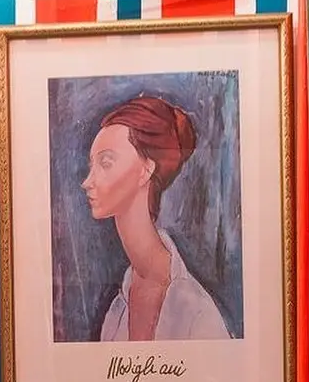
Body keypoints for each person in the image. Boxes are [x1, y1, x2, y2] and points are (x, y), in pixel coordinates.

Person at [81, 95, 231, 341]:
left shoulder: (197, 314)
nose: (87, 182)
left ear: (146, 170)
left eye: (105, 163)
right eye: (92, 165)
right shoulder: (117, 311)